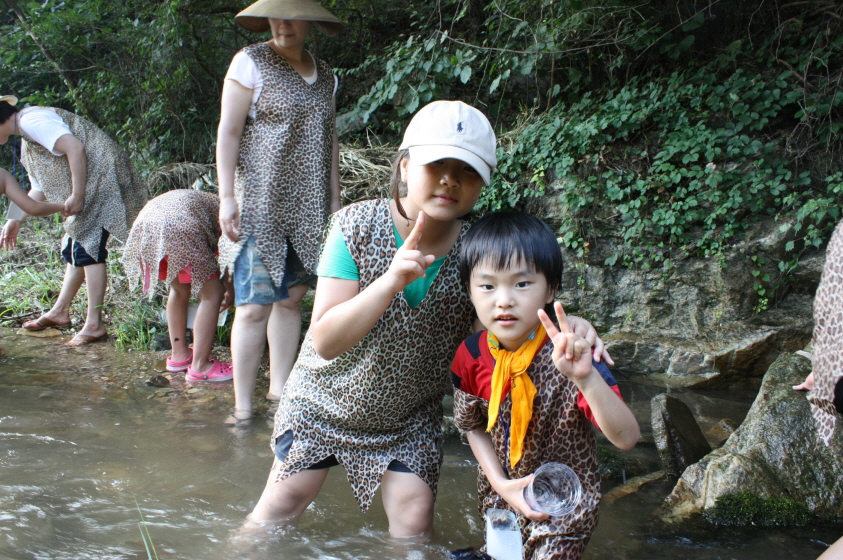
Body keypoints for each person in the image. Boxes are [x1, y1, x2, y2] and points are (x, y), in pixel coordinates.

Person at [246, 100, 611, 539]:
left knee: (414, 525)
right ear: (403, 166)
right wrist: (389, 282)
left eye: (467, 171)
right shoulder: (353, 226)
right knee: (280, 507)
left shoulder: (477, 254)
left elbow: (503, 333)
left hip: (409, 420)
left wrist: (577, 326)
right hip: (322, 405)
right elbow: (324, 341)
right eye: (436, 164)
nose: (449, 181)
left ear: (483, 184)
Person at [450, 212, 640, 560]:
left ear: (551, 288)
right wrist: (501, 485)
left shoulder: (572, 353)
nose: (504, 300)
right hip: (501, 495)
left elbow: (627, 439)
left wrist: (584, 377)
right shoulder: (471, 355)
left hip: (565, 505)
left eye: (522, 284)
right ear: (469, 290)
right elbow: (472, 426)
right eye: (488, 286)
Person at [216, 0, 342, 419]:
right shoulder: (249, 62)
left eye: (292, 15)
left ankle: (280, 396)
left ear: (309, 20)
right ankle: (243, 408)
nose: (283, 24)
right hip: (259, 202)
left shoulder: (326, 75)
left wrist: (336, 201)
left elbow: (330, 144)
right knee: (253, 307)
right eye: (276, 15)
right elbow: (229, 132)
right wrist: (227, 197)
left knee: (290, 302)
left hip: (310, 206)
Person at [0, 95, 147, 345]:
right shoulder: (27, 140)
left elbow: (75, 147)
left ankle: (94, 324)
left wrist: (77, 195)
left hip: (101, 181)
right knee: (75, 246)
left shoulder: (32, 120)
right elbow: (38, 189)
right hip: (90, 186)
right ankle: (60, 312)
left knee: (88, 249)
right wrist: (14, 219)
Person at [121, 189, 234, 381]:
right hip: (179, 226)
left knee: (178, 290)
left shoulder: (210, 202)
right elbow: (229, 254)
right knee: (212, 294)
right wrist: (230, 291)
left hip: (144, 227)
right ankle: (201, 366)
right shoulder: (230, 213)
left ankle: (180, 355)